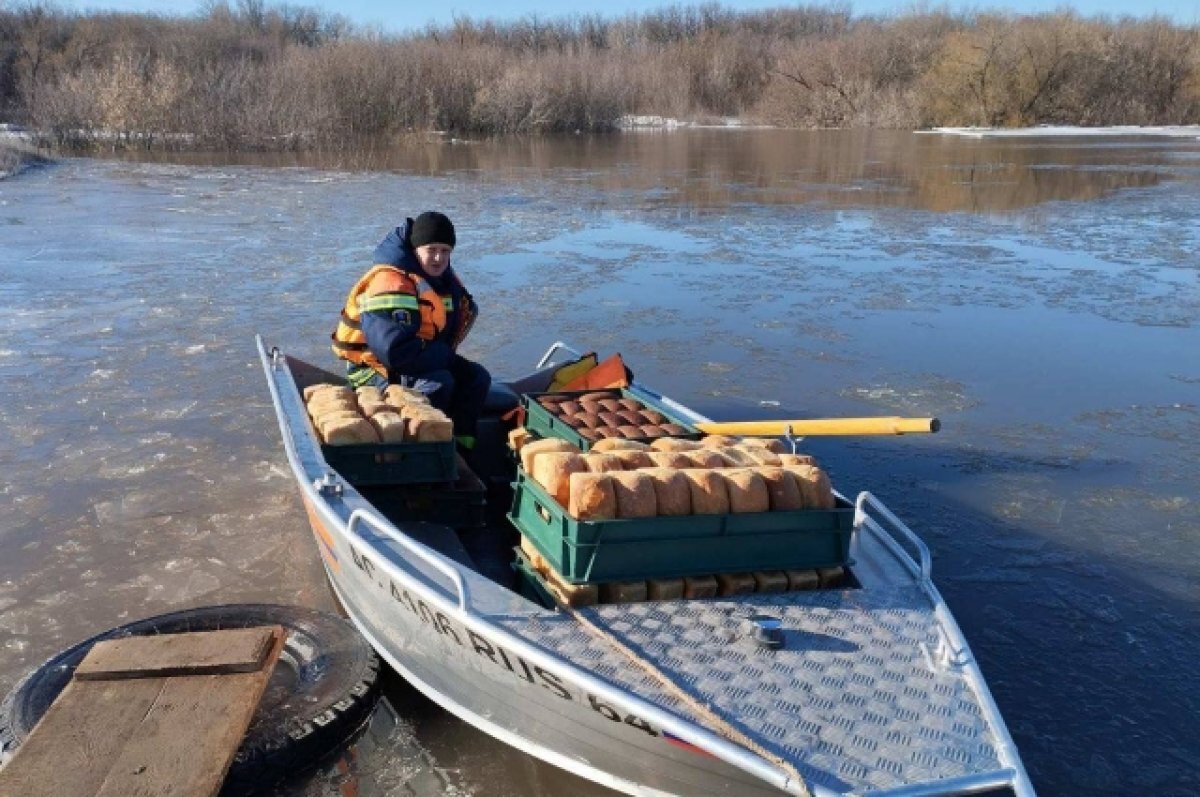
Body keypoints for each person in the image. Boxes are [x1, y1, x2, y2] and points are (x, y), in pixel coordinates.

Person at [331, 211, 491, 451]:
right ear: (416, 249)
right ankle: (419, 449)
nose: (438, 258)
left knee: (477, 378)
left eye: (445, 251)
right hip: (373, 368)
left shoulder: (441, 279)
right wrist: (444, 359)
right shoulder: (390, 282)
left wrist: (444, 357)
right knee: (439, 384)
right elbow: (394, 352)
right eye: (432, 249)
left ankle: (460, 446)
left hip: (421, 356)